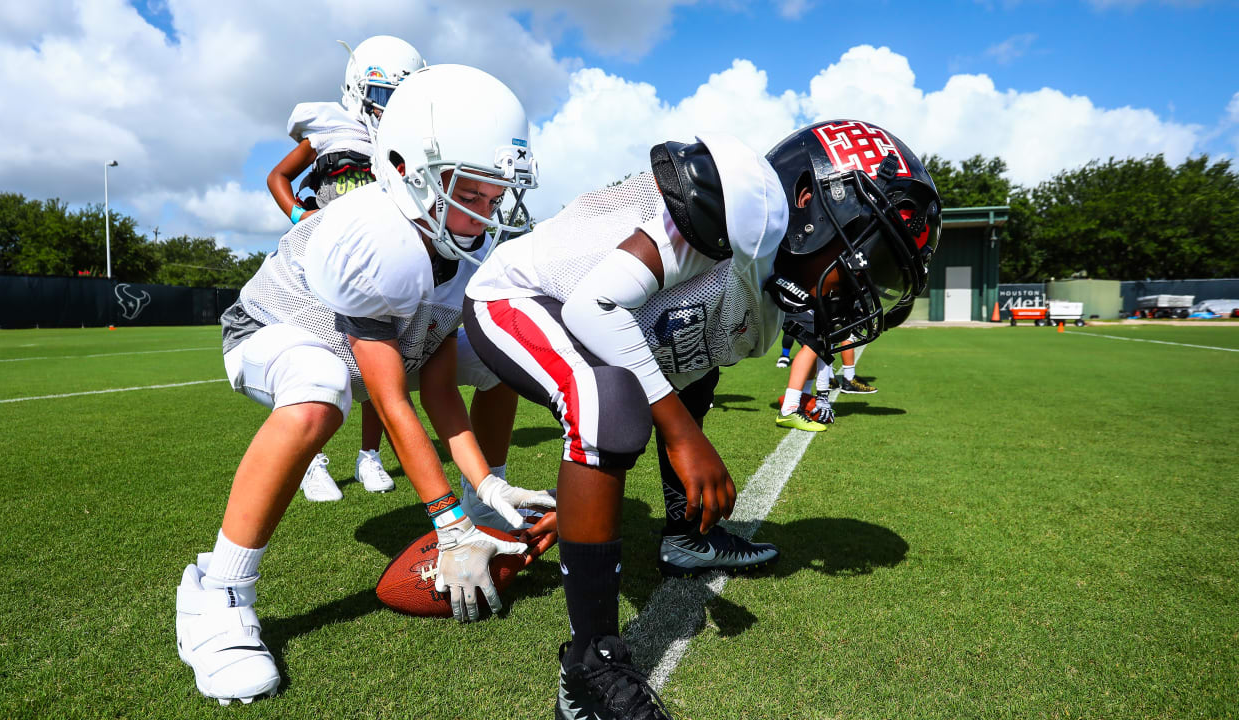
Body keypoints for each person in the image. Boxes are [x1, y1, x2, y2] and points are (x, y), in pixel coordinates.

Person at [463, 119, 942, 719]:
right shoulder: (733, 201)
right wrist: (682, 436)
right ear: (808, 202)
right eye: (864, 253)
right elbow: (594, 305)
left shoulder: (771, 290)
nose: (861, 283)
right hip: (521, 296)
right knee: (609, 399)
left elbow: (674, 370)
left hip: (587, 317)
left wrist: (588, 496)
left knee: (683, 378)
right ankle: (588, 670)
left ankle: (687, 539)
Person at [174, 65, 554, 706]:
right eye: (472, 194)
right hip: (276, 332)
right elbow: (392, 398)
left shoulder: (459, 249)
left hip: (382, 350)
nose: (487, 215)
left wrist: (481, 486)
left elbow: (438, 387)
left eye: (495, 197)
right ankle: (218, 591)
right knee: (323, 388)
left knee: (498, 355)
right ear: (407, 168)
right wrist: (445, 524)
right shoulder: (375, 235)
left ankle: (485, 507)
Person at [265, 36, 426, 501]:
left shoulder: (402, 145)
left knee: (383, 356)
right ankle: (311, 459)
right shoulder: (332, 131)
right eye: (382, 94)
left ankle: (369, 455)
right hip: (323, 260)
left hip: (374, 261)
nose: (389, 106)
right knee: (319, 355)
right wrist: (300, 215)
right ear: (358, 89)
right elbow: (277, 176)